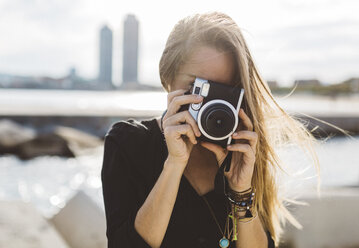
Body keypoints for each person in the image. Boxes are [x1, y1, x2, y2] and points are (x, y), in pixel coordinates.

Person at [101, 12, 320, 248]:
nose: (211, 106)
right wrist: (174, 164)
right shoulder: (128, 144)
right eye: (199, 87)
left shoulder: (242, 151)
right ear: (168, 78)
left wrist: (241, 191)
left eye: (224, 91)